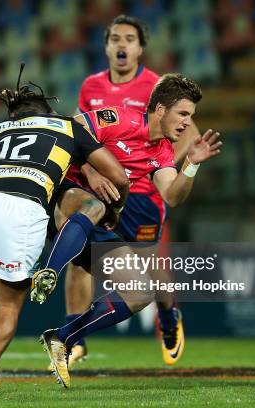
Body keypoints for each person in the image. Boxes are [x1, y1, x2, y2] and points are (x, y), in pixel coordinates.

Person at [37, 73, 222, 388]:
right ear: (160, 109)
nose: (187, 123)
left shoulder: (162, 152)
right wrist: (92, 171)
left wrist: (191, 164)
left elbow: (173, 196)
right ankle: (48, 271)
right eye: (183, 114)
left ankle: (62, 338)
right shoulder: (119, 118)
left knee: (139, 293)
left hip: (98, 223)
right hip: (66, 198)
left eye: (191, 117)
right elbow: (72, 129)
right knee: (91, 207)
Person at [0, 65, 129, 396]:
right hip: (22, 207)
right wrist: (117, 209)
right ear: (47, 110)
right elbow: (119, 176)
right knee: (10, 304)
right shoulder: (66, 125)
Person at [64, 14, 198, 366]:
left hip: (143, 196)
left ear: (140, 49)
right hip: (102, 188)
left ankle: (168, 313)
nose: (122, 44)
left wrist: (158, 164)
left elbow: (191, 133)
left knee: (147, 264)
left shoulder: (157, 87)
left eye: (129, 39)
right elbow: (82, 133)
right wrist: (92, 169)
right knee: (79, 255)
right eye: (115, 38)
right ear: (106, 46)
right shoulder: (91, 86)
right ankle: (73, 338)